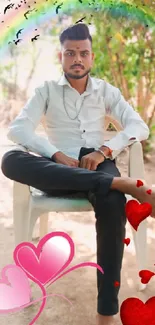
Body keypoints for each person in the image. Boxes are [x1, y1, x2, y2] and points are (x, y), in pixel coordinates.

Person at [1, 23, 155, 325]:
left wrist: (104, 152)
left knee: (112, 204)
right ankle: (118, 184)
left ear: (92, 57)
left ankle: (106, 312)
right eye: (70, 53)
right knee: (9, 159)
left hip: (99, 164)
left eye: (83, 53)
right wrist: (55, 154)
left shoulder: (106, 92)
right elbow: (17, 129)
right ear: (61, 56)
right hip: (58, 169)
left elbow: (140, 127)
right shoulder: (46, 91)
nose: (77, 59)